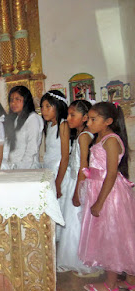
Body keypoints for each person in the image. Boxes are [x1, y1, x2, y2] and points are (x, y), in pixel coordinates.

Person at [79, 102, 135, 291]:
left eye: (93, 119)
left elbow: (111, 173)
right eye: (88, 118)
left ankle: (111, 284)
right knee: (117, 236)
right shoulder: (99, 137)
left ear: (108, 121)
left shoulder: (111, 140)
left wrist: (99, 202)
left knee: (112, 237)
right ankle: (130, 280)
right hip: (100, 189)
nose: (88, 122)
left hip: (110, 195)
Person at [57, 100, 100, 276]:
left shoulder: (84, 137)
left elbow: (84, 166)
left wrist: (77, 192)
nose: (68, 118)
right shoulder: (83, 134)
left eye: (72, 115)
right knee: (76, 223)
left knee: (76, 223)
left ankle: (78, 259)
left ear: (84, 117)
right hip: (76, 181)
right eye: (68, 114)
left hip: (79, 183)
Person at [41, 90, 70, 216]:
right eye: (42, 107)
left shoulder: (63, 125)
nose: (44, 110)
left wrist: (58, 183)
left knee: (61, 208)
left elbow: (65, 157)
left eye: (48, 106)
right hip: (50, 170)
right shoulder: (49, 125)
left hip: (60, 172)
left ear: (58, 106)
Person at [3, 86, 43, 169]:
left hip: (28, 167)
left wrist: (22, 168)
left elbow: (32, 148)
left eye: (17, 99)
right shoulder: (15, 119)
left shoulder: (33, 118)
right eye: (11, 100)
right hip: (13, 166)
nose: (13, 103)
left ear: (26, 100)